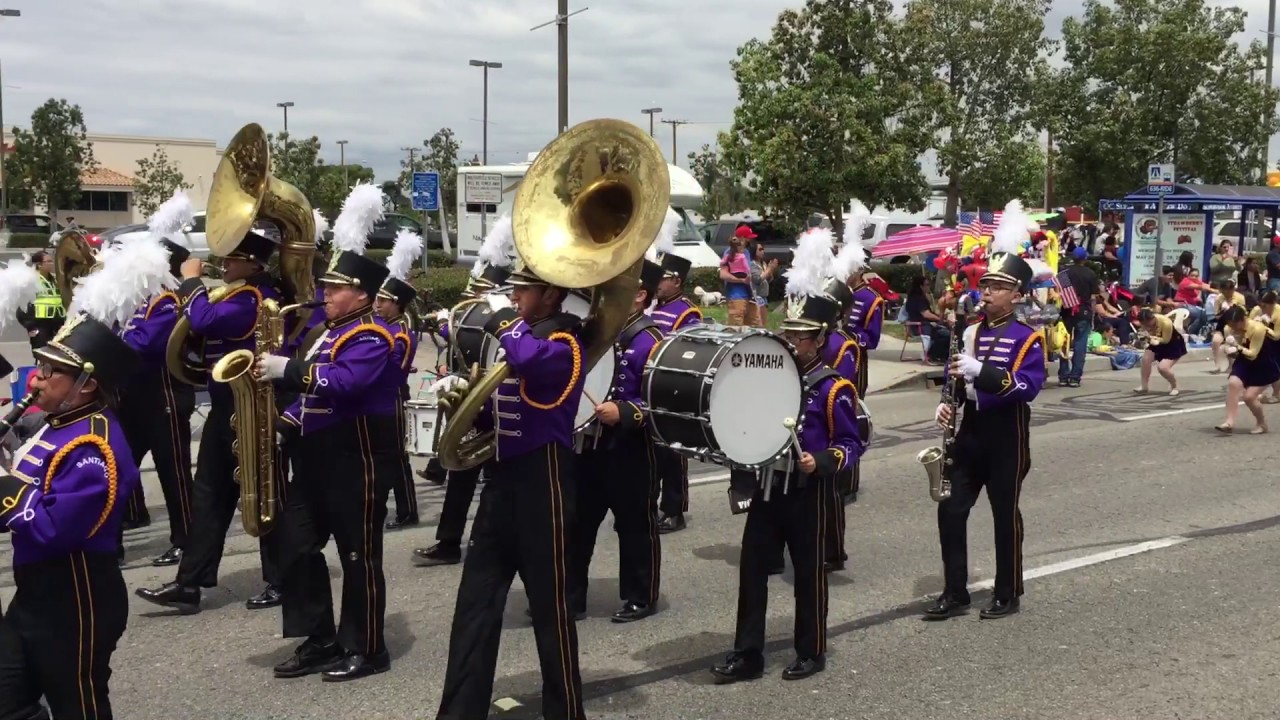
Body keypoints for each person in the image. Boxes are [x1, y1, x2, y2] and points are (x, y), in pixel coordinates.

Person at [435, 264, 586, 720]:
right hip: (501, 481)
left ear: (552, 293)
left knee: (550, 610)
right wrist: (464, 402)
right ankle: (460, 711)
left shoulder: (566, 344)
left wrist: (504, 319)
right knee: (474, 604)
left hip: (545, 485)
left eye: (524, 290)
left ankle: (566, 711)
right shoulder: (525, 339)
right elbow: (499, 417)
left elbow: (528, 364)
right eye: (514, 290)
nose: (515, 296)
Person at [255, 240, 400, 682]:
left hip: (357, 459)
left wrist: (288, 370)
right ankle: (319, 639)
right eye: (326, 285)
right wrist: (281, 425)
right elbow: (312, 399)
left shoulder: (374, 335)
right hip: (316, 458)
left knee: (358, 556)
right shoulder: (328, 334)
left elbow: (346, 383)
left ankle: (367, 646)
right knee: (295, 547)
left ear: (362, 295)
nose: (326, 294)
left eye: (335, 288)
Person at [710, 293, 863, 684]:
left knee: (809, 576)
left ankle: (811, 651)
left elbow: (852, 440)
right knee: (752, 571)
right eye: (789, 334)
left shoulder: (833, 388)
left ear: (820, 339)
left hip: (807, 492)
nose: (792, 342)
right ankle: (748, 654)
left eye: (801, 337)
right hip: (768, 487)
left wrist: (822, 461)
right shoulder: (773, 381)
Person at [0, 301, 143, 719]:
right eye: (39, 368)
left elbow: (53, 528)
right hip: (37, 589)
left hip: (76, 594)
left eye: (49, 372)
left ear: (86, 384)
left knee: (77, 706)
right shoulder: (58, 421)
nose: (37, 380)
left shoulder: (93, 445)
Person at [135, 230, 285, 613]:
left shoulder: (255, 298)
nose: (225, 266)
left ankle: (283, 579)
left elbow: (203, 319)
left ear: (254, 262)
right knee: (209, 499)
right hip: (225, 408)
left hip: (252, 408)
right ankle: (189, 584)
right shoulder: (239, 293)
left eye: (233, 260)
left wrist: (191, 281)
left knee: (262, 495)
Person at [925, 249, 1045, 621]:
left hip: (1007, 433)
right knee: (951, 508)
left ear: (1017, 294)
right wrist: (948, 402)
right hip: (972, 429)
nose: (987, 292)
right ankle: (955, 591)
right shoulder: (969, 331)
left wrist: (985, 372)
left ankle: (1008, 592)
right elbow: (955, 377)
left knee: (1003, 514)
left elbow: (1028, 387)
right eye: (986, 285)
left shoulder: (1029, 338)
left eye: (997, 286)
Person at [412, 222, 515, 568]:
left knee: (502, 486)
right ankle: (449, 541)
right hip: (473, 405)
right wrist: (449, 373)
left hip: (502, 410)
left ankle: (498, 546)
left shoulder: (509, 320)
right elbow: (462, 353)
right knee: (460, 477)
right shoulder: (470, 316)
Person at [569, 260, 666, 623]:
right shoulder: (595, 333)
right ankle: (571, 595)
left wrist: (626, 413)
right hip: (590, 446)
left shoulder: (651, 341)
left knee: (635, 525)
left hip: (631, 448)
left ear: (639, 296)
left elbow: (662, 402)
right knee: (578, 523)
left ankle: (640, 595)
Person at [116, 236, 197, 566]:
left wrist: (113, 338)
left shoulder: (166, 301)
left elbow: (145, 343)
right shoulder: (137, 302)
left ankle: (187, 541)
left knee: (174, 476)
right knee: (119, 471)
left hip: (164, 400)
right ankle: (113, 543)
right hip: (134, 401)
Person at [375, 229, 424, 531]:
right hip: (383, 397)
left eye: (383, 301)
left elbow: (395, 369)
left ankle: (408, 511)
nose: (377, 306)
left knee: (397, 458)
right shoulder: (385, 326)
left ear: (397, 304)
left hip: (393, 397)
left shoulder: (402, 332)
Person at [649, 253, 701, 533]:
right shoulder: (654, 307)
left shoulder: (687, 312)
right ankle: (650, 504)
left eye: (663, 278)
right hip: (650, 388)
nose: (658, 282)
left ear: (677, 281)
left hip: (672, 388)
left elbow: (688, 353)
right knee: (653, 454)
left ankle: (674, 510)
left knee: (672, 455)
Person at [1216, 304, 1277, 435]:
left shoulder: (1257, 328)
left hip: (1262, 363)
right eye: (1230, 325)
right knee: (1233, 383)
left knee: (1249, 397)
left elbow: (1253, 354)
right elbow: (1229, 346)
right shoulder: (1229, 329)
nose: (1232, 328)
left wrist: (1237, 347)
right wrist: (1228, 349)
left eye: (1234, 325)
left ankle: (1261, 423)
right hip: (1243, 361)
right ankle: (1229, 422)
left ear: (1243, 319)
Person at [1057, 247, 1100, 388]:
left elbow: (1059, 293)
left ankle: (1063, 376)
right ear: (1085, 259)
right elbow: (1093, 297)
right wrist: (1093, 314)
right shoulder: (1091, 274)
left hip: (1066, 310)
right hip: (1084, 311)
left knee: (1063, 342)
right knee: (1080, 343)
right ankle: (1075, 377)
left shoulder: (1063, 273)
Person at [15, 251, 64, 351]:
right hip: (40, 325)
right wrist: (31, 327)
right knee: (42, 354)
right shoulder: (31, 281)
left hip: (57, 323)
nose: (51, 264)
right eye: (48, 261)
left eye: (51, 261)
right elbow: (22, 306)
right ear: (39, 265)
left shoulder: (55, 280)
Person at [1133, 308, 1186, 396]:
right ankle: (1144, 386)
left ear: (1153, 318)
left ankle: (1174, 386)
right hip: (1156, 342)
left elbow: (1165, 340)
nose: (1147, 327)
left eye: (1148, 324)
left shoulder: (1166, 323)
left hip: (1172, 344)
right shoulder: (1144, 324)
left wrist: (1151, 338)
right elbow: (1145, 337)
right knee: (1145, 359)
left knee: (1163, 368)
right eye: (1144, 325)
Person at [720, 226, 756, 326]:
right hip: (736, 295)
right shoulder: (730, 252)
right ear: (742, 238)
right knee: (736, 326)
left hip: (749, 295)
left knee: (752, 327)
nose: (749, 240)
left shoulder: (746, 252)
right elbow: (723, 274)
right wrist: (742, 280)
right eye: (748, 237)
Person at [1210, 281, 1248, 373]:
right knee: (1215, 341)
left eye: (1229, 291)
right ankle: (1217, 366)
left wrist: (1233, 308)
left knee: (1230, 342)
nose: (1227, 294)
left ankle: (1231, 366)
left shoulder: (1240, 297)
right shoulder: (1219, 298)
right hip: (1222, 323)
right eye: (1224, 291)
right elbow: (1216, 316)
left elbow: (1244, 314)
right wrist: (1223, 311)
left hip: (1235, 325)